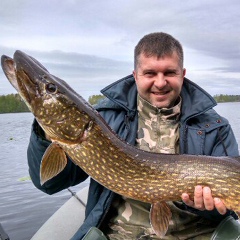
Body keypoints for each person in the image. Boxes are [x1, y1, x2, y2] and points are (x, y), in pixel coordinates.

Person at [27, 32, 239, 239]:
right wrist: (44, 134)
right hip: (119, 233)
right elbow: (49, 184)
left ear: (182, 74)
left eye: (169, 73)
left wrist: (206, 207)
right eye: (150, 73)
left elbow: (228, 210)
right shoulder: (107, 119)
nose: (160, 82)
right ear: (135, 75)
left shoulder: (215, 127)